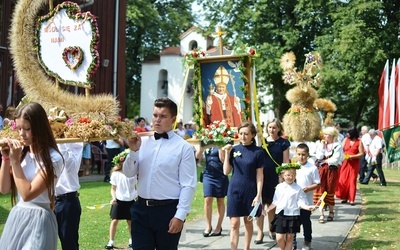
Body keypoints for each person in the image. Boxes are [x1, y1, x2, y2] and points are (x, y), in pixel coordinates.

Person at [122, 97, 197, 249]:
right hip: (141, 210)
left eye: (163, 116)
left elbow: (188, 185)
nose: (157, 120)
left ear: (173, 119)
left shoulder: (183, 148)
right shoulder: (142, 141)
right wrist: (133, 151)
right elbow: (129, 173)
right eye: (155, 115)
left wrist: (180, 216)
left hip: (167, 211)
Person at [0, 102, 64, 249]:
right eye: (19, 128)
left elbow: (28, 193)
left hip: (39, 220)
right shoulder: (22, 153)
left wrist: (15, 161)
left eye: (27, 129)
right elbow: (4, 189)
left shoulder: (54, 158)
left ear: (39, 128)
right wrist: (6, 159)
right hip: (18, 216)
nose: (22, 134)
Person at [223, 121, 264, 250]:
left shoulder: (258, 152)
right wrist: (226, 155)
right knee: (234, 223)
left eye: (246, 134)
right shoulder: (234, 149)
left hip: (250, 190)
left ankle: (247, 247)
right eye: (240, 133)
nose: (243, 136)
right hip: (234, 189)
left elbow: (260, 174)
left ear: (252, 135)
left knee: (248, 221)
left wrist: (258, 194)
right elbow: (226, 171)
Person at [255, 118, 290, 244]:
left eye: (274, 127)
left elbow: (286, 162)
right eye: (270, 127)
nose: (272, 130)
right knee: (260, 206)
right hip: (261, 176)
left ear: (279, 129)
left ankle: (271, 229)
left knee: (271, 205)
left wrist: (283, 177)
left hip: (275, 177)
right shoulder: (262, 142)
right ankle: (259, 233)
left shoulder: (284, 143)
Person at [266, 165, 316, 250]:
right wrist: (268, 209)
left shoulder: (298, 188)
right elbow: (275, 201)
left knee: (290, 238)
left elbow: (301, 202)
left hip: (293, 215)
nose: (290, 177)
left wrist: (307, 207)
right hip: (281, 214)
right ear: (283, 175)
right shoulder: (279, 187)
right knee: (279, 238)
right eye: (288, 175)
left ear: (295, 176)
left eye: (293, 175)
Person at [105, 149, 137, 249]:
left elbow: (134, 187)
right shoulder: (116, 174)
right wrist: (114, 198)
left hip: (130, 200)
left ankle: (132, 239)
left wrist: (137, 195)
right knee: (114, 221)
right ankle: (111, 241)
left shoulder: (133, 174)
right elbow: (113, 189)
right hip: (119, 200)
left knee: (130, 221)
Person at [55, 142, 84, 250]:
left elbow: (71, 168)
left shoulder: (74, 142)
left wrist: (61, 143)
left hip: (66, 200)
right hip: (46, 199)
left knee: (69, 244)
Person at [195, 147, 229, 237]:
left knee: (220, 201)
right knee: (208, 199)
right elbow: (197, 156)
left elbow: (222, 159)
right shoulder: (206, 142)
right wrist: (202, 146)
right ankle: (208, 226)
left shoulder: (222, 142)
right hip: (208, 174)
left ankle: (218, 226)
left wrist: (220, 147)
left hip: (221, 174)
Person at [313, 126, 343, 224]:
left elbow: (336, 159)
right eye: (324, 134)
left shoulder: (337, 146)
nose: (324, 136)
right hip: (322, 170)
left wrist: (325, 161)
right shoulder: (321, 144)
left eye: (326, 134)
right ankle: (321, 214)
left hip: (331, 170)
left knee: (330, 190)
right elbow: (319, 156)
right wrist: (322, 147)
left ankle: (331, 211)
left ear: (332, 136)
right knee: (320, 189)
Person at [293, 143, 321, 250]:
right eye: (299, 154)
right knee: (294, 222)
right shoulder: (294, 166)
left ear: (308, 155)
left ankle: (307, 241)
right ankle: (293, 241)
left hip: (306, 201)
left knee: (305, 221)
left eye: (303, 154)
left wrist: (308, 188)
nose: (301, 157)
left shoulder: (312, 168)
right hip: (294, 201)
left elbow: (317, 183)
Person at [335, 127, 364, 205]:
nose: (347, 134)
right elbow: (340, 149)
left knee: (352, 180)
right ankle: (344, 197)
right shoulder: (345, 140)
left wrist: (352, 156)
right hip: (345, 163)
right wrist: (342, 156)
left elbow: (361, 153)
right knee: (343, 180)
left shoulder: (359, 142)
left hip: (354, 164)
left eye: (349, 133)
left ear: (353, 134)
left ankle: (351, 199)